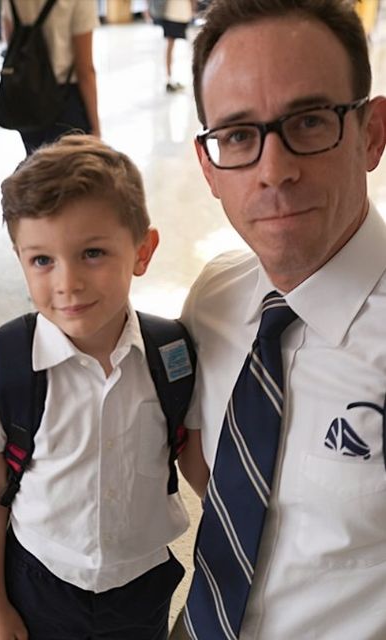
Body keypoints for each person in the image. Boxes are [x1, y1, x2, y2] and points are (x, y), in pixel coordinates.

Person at [172, 0, 386, 638]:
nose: (274, 171)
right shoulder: (212, 300)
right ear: (209, 166)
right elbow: (205, 461)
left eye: (311, 121)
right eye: (238, 135)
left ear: (372, 132)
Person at [0, 135, 190, 640]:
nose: (67, 283)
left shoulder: (170, 355)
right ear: (19, 259)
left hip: (140, 580)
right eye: (42, 260)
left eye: (92, 253)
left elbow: (194, 458)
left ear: (142, 251)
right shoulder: (10, 362)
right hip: (40, 577)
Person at [1, 0, 100, 155]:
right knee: (70, 171)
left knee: (37, 165)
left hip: (26, 92)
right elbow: (85, 69)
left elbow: (10, 37)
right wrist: (96, 128)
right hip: (65, 98)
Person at [160, 0, 196, 93]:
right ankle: (171, 78)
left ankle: (169, 78)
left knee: (170, 46)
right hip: (181, 14)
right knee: (188, 48)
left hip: (170, 14)